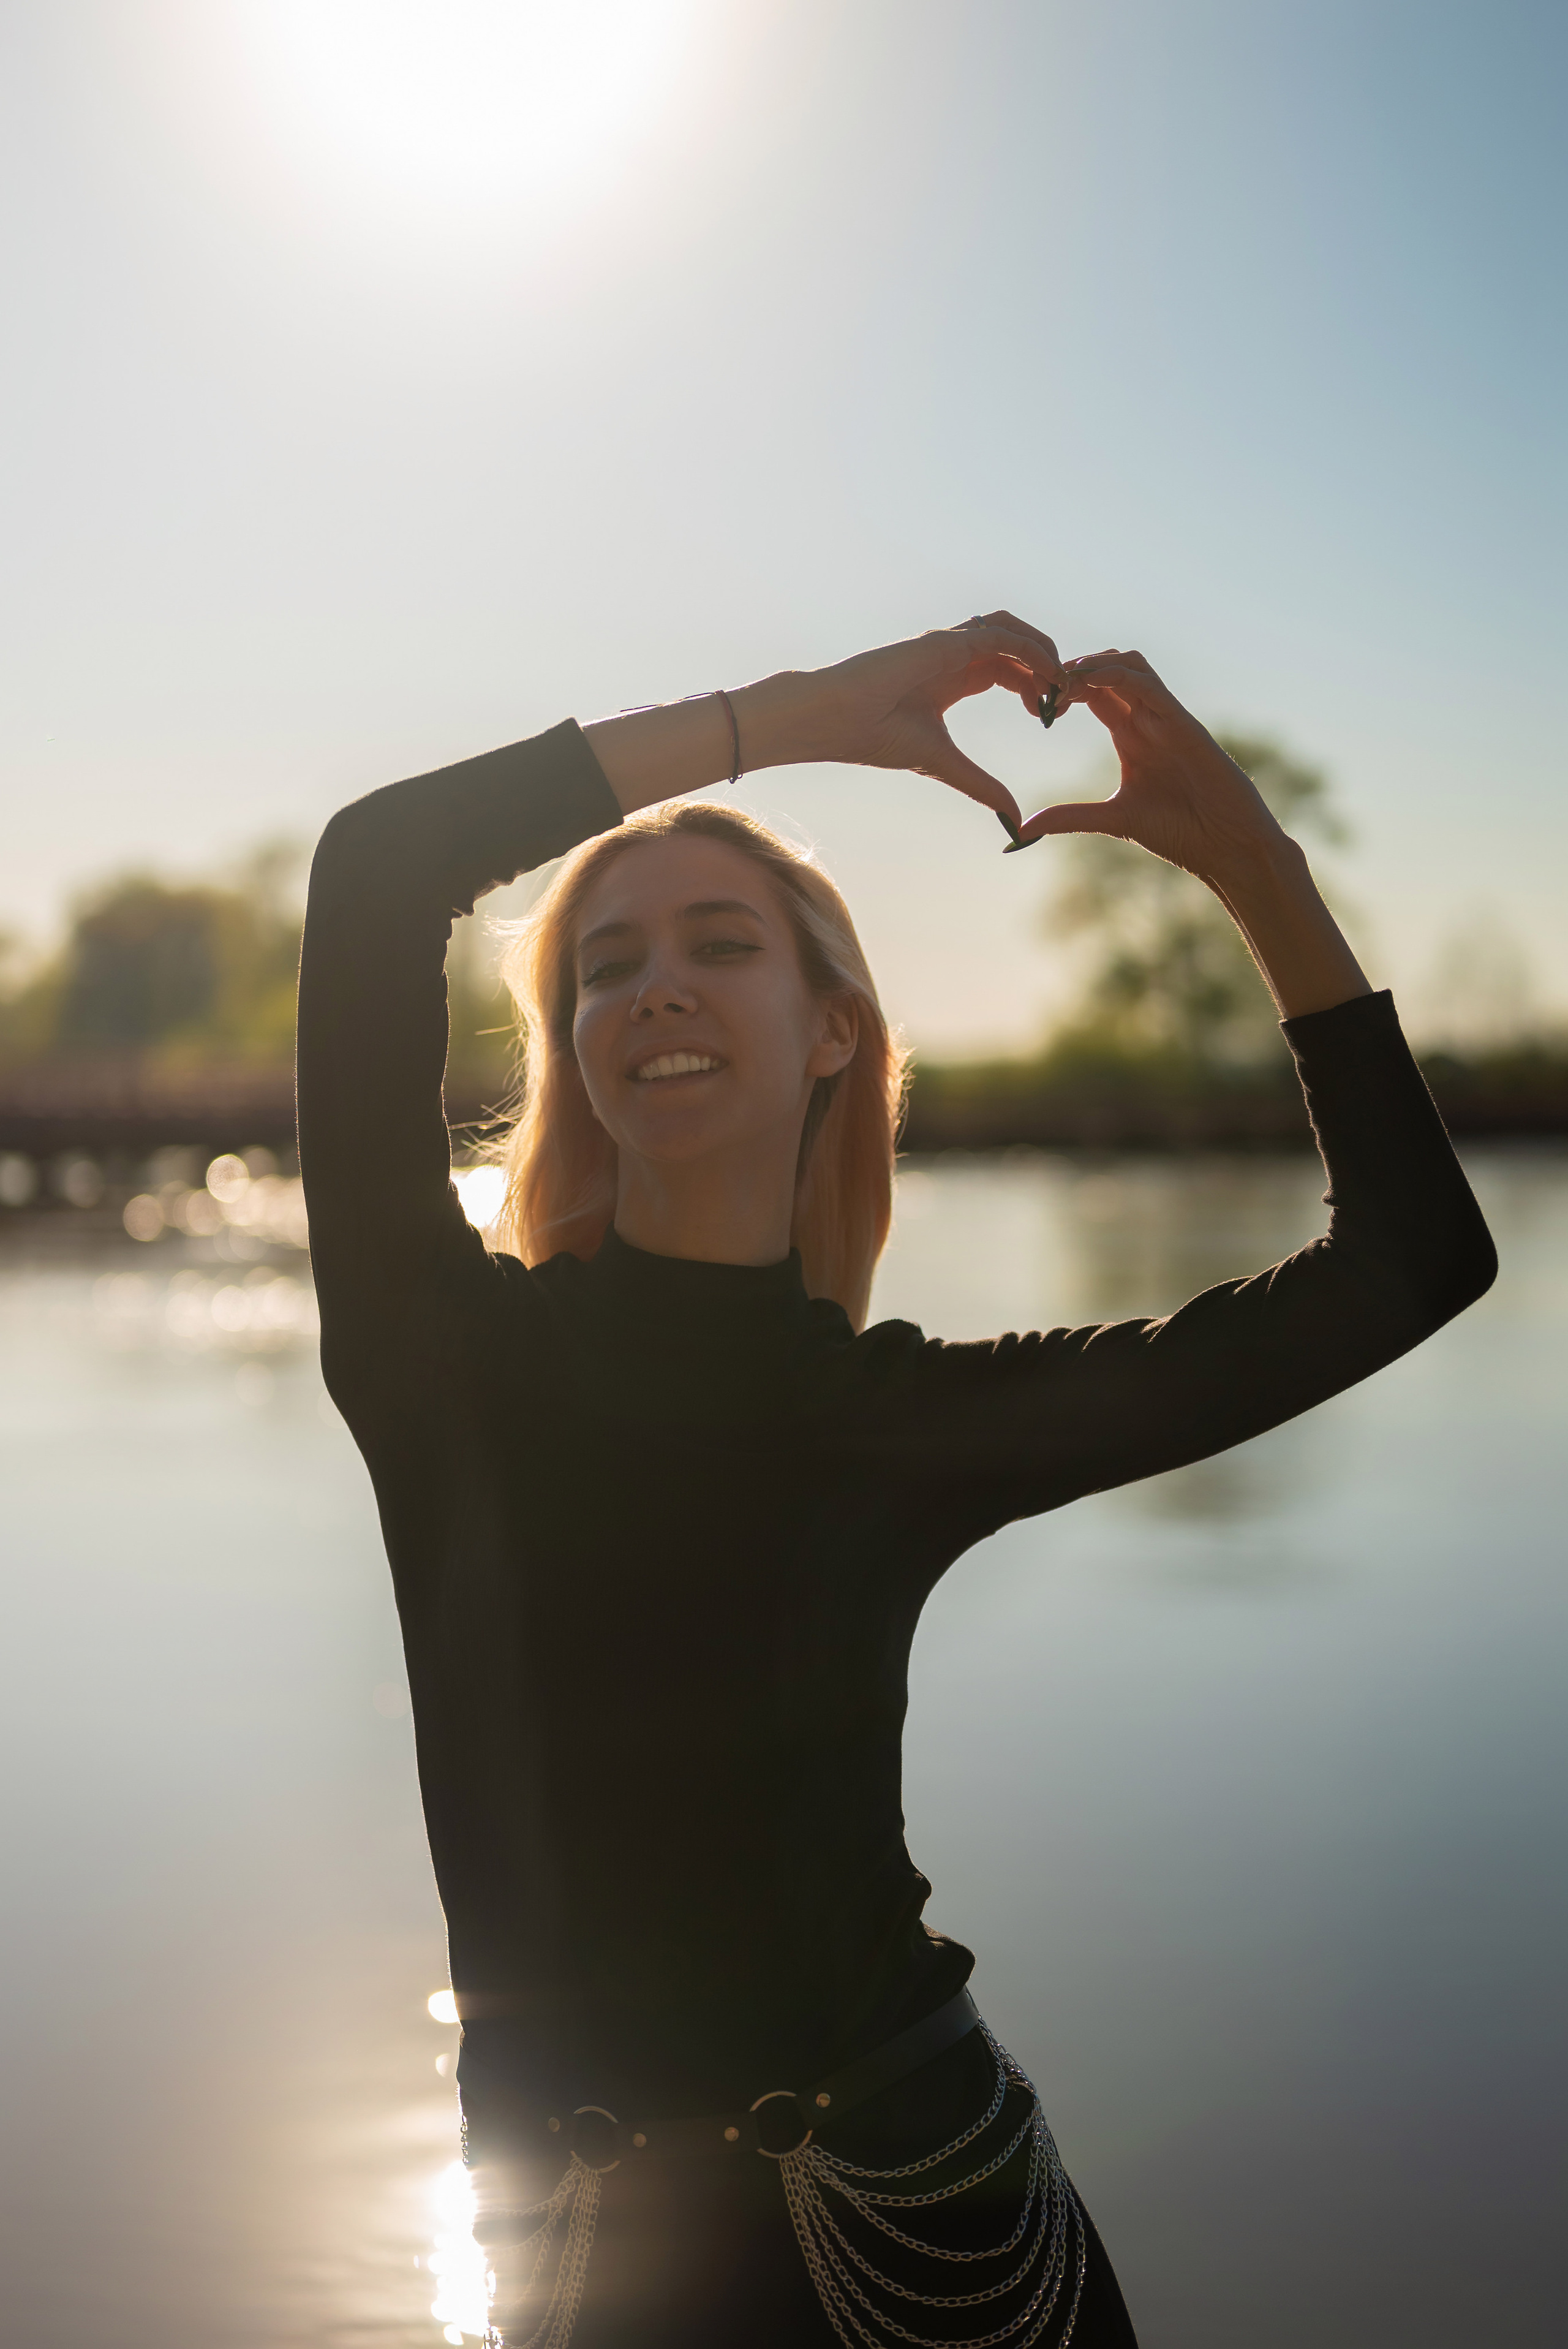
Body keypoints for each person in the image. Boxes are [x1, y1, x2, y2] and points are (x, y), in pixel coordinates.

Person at [296, 615, 1496, 2348]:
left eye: (723, 945)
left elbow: (1410, 1262)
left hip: (943, 2238)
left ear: (837, 1031)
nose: (660, 989)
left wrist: (1252, 864)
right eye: (609, 967)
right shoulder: (440, 1365)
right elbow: (380, 866)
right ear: (577, 1045)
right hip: (576, 2259)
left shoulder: (903, 1418)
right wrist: (786, 721)